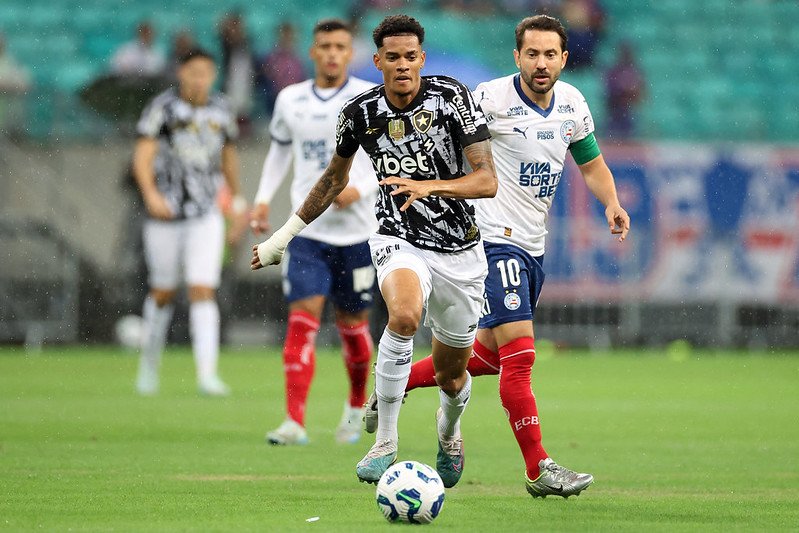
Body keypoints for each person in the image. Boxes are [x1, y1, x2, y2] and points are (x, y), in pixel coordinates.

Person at [364, 14, 630, 498]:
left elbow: (592, 164)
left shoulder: (572, 103)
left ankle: (397, 383)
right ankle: (538, 468)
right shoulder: (488, 98)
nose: (542, 63)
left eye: (551, 54)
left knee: (478, 359)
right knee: (521, 356)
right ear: (517, 57)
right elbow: (445, 136)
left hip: (532, 245)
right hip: (490, 239)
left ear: (564, 59)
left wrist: (610, 202)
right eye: (532, 53)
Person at [251, 14, 497, 487]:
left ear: (421, 59)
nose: (403, 65)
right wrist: (283, 237)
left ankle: (450, 432)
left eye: (411, 57)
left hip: (460, 249)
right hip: (396, 237)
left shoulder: (453, 99)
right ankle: (385, 440)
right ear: (378, 60)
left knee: (451, 375)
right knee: (402, 317)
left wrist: (430, 188)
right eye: (393, 57)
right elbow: (332, 180)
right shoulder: (360, 112)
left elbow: (487, 181)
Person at [250, 19, 379, 446]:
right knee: (301, 324)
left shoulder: (367, 97)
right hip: (306, 232)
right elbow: (280, 151)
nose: (331, 53)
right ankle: (293, 421)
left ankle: (355, 409)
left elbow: (390, 158)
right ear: (312, 51)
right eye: (324, 46)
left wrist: (359, 189)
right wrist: (264, 198)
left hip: (358, 235)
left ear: (349, 52)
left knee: (354, 330)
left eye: (340, 46)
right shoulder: (291, 100)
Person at [133, 48, 245, 397]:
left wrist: (236, 202)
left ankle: (207, 374)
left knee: (202, 289)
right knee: (163, 292)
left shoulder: (222, 109)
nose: (200, 79)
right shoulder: (162, 108)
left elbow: (228, 157)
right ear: (181, 73)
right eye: (193, 72)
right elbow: (143, 154)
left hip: (205, 213)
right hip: (165, 214)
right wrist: (151, 195)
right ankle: (148, 367)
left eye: (206, 72)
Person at [257, 22, 306, 115]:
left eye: (290, 36)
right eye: (285, 36)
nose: (288, 39)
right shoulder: (270, 59)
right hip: (272, 104)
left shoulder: (299, 61)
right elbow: (264, 83)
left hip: (294, 105)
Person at [604, 41, 645, 140]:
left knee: (630, 138)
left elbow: (641, 92)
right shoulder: (614, 71)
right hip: (615, 111)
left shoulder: (635, 71)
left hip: (629, 111)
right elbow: (609, 92)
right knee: (612, 139)